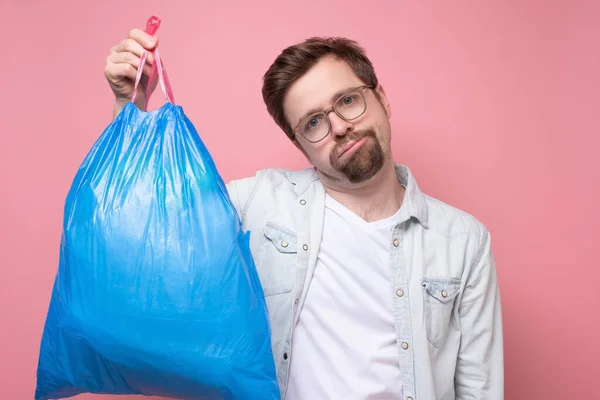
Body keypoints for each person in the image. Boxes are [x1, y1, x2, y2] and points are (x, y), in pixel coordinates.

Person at [104, 28, 504, 400]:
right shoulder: (256, 204)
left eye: (348, 100)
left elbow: (479, 388)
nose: (340, 127)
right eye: (314, 122)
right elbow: (142, 234)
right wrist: (132, 109)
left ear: (382, 98)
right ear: (299, 144)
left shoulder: (464, 241)